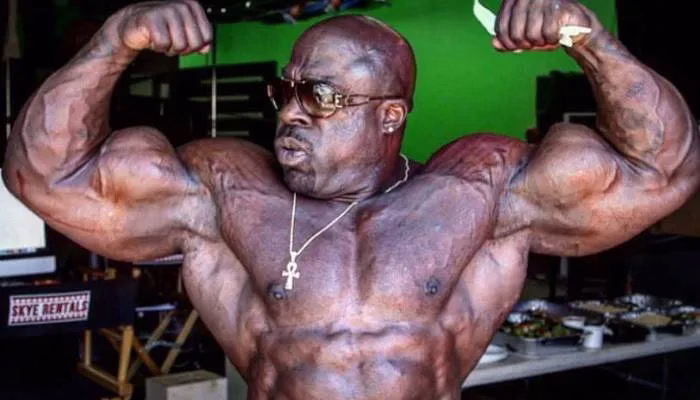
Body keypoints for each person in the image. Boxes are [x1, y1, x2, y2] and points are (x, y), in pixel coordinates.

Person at [3, 0, 699, 398]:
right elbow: (43, 177)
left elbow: (663, 171)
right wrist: (114, 41)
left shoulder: (475, 193)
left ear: (390, 116)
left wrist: (589, 39)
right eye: (286, 90)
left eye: (321, 96)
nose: (290, 112)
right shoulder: (226, 193)